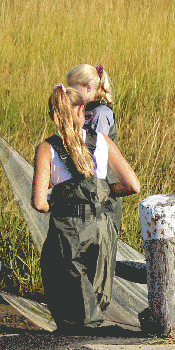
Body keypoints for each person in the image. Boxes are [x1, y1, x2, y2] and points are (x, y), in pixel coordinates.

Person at [32, 84, 140, 333]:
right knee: (96, 296)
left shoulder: (46, 148)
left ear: (53, 114)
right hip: (101, 228)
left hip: (67, 230)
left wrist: (58, 202)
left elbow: (39, 203)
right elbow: (133, 185)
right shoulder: (102, 141)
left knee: (68, 299)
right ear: (82, 110)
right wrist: (104, 191)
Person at [65, 64, 122, 235]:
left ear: (89, 88)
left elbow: (96, 149)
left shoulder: (100, 113)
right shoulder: (86, 111)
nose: (70, 94)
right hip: (87, 189)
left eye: (74, 89)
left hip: (103, 189)